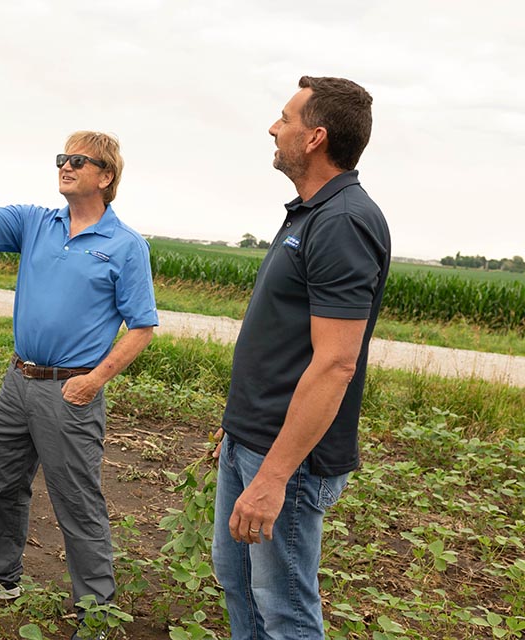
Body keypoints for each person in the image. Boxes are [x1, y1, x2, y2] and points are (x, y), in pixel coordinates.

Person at [0, 115, 158, 639]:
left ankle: (97, 612)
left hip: (71, 389)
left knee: (77, 500)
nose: (65, 167)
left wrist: (94, 380)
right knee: (3, 485)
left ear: (105, 176)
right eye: (62, 159)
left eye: (77, 161)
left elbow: (142, 327)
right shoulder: (37, 222)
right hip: (18, 382)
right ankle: (0, 576)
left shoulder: (125, 245)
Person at [211, 76, 390, 639]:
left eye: (284, 118)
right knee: (239, 584)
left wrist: (274, 474)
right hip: (252, 440)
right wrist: (236, 428)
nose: (273, 126)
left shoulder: (341, 222)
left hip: (285, 459)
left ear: (314, 138)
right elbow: (285, 341)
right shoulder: (312, 212)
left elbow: (336, 363)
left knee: (284, 609)